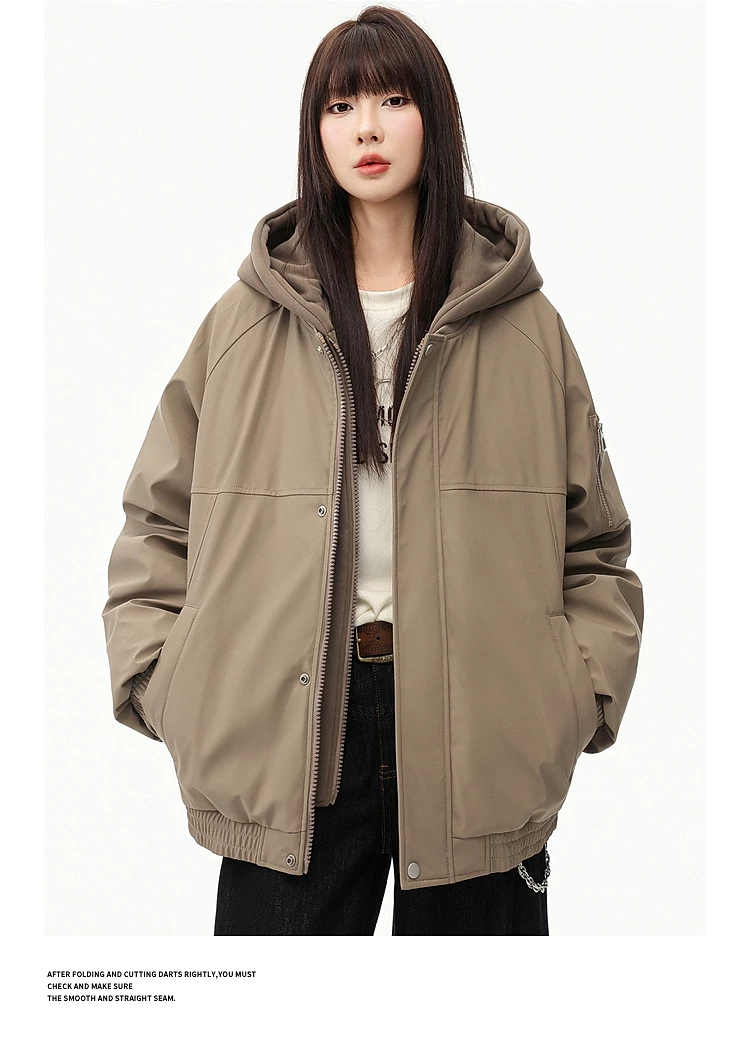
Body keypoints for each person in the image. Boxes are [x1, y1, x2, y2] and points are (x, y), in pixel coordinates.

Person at [101, 5, 644, 936]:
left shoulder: (525, 328)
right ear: (315, 131)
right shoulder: (244, 324)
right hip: (293, 736)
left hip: (483, 739)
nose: (367, 129)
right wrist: (168, 679)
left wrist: (569, 696)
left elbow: (594, 543)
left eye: (393, 100)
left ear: (435, 117)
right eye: (340, 105)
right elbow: (158, 522)